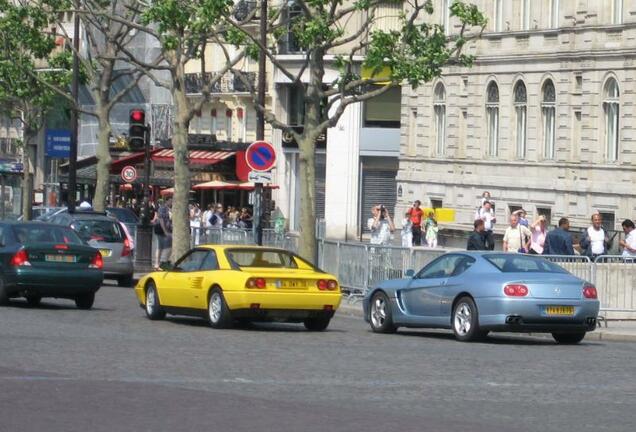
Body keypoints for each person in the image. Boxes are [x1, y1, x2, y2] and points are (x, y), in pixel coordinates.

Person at [154, 199, 172, 269]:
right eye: (171, 201)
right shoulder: (162, 208)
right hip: (160, 229)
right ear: (167, 201)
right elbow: (161, 220)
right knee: (160, 247)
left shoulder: (168, 209)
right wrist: (165, 231)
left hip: (166, 229)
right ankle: (158, 263)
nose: (171, 203)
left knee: (162, 247)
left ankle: (159, 263)